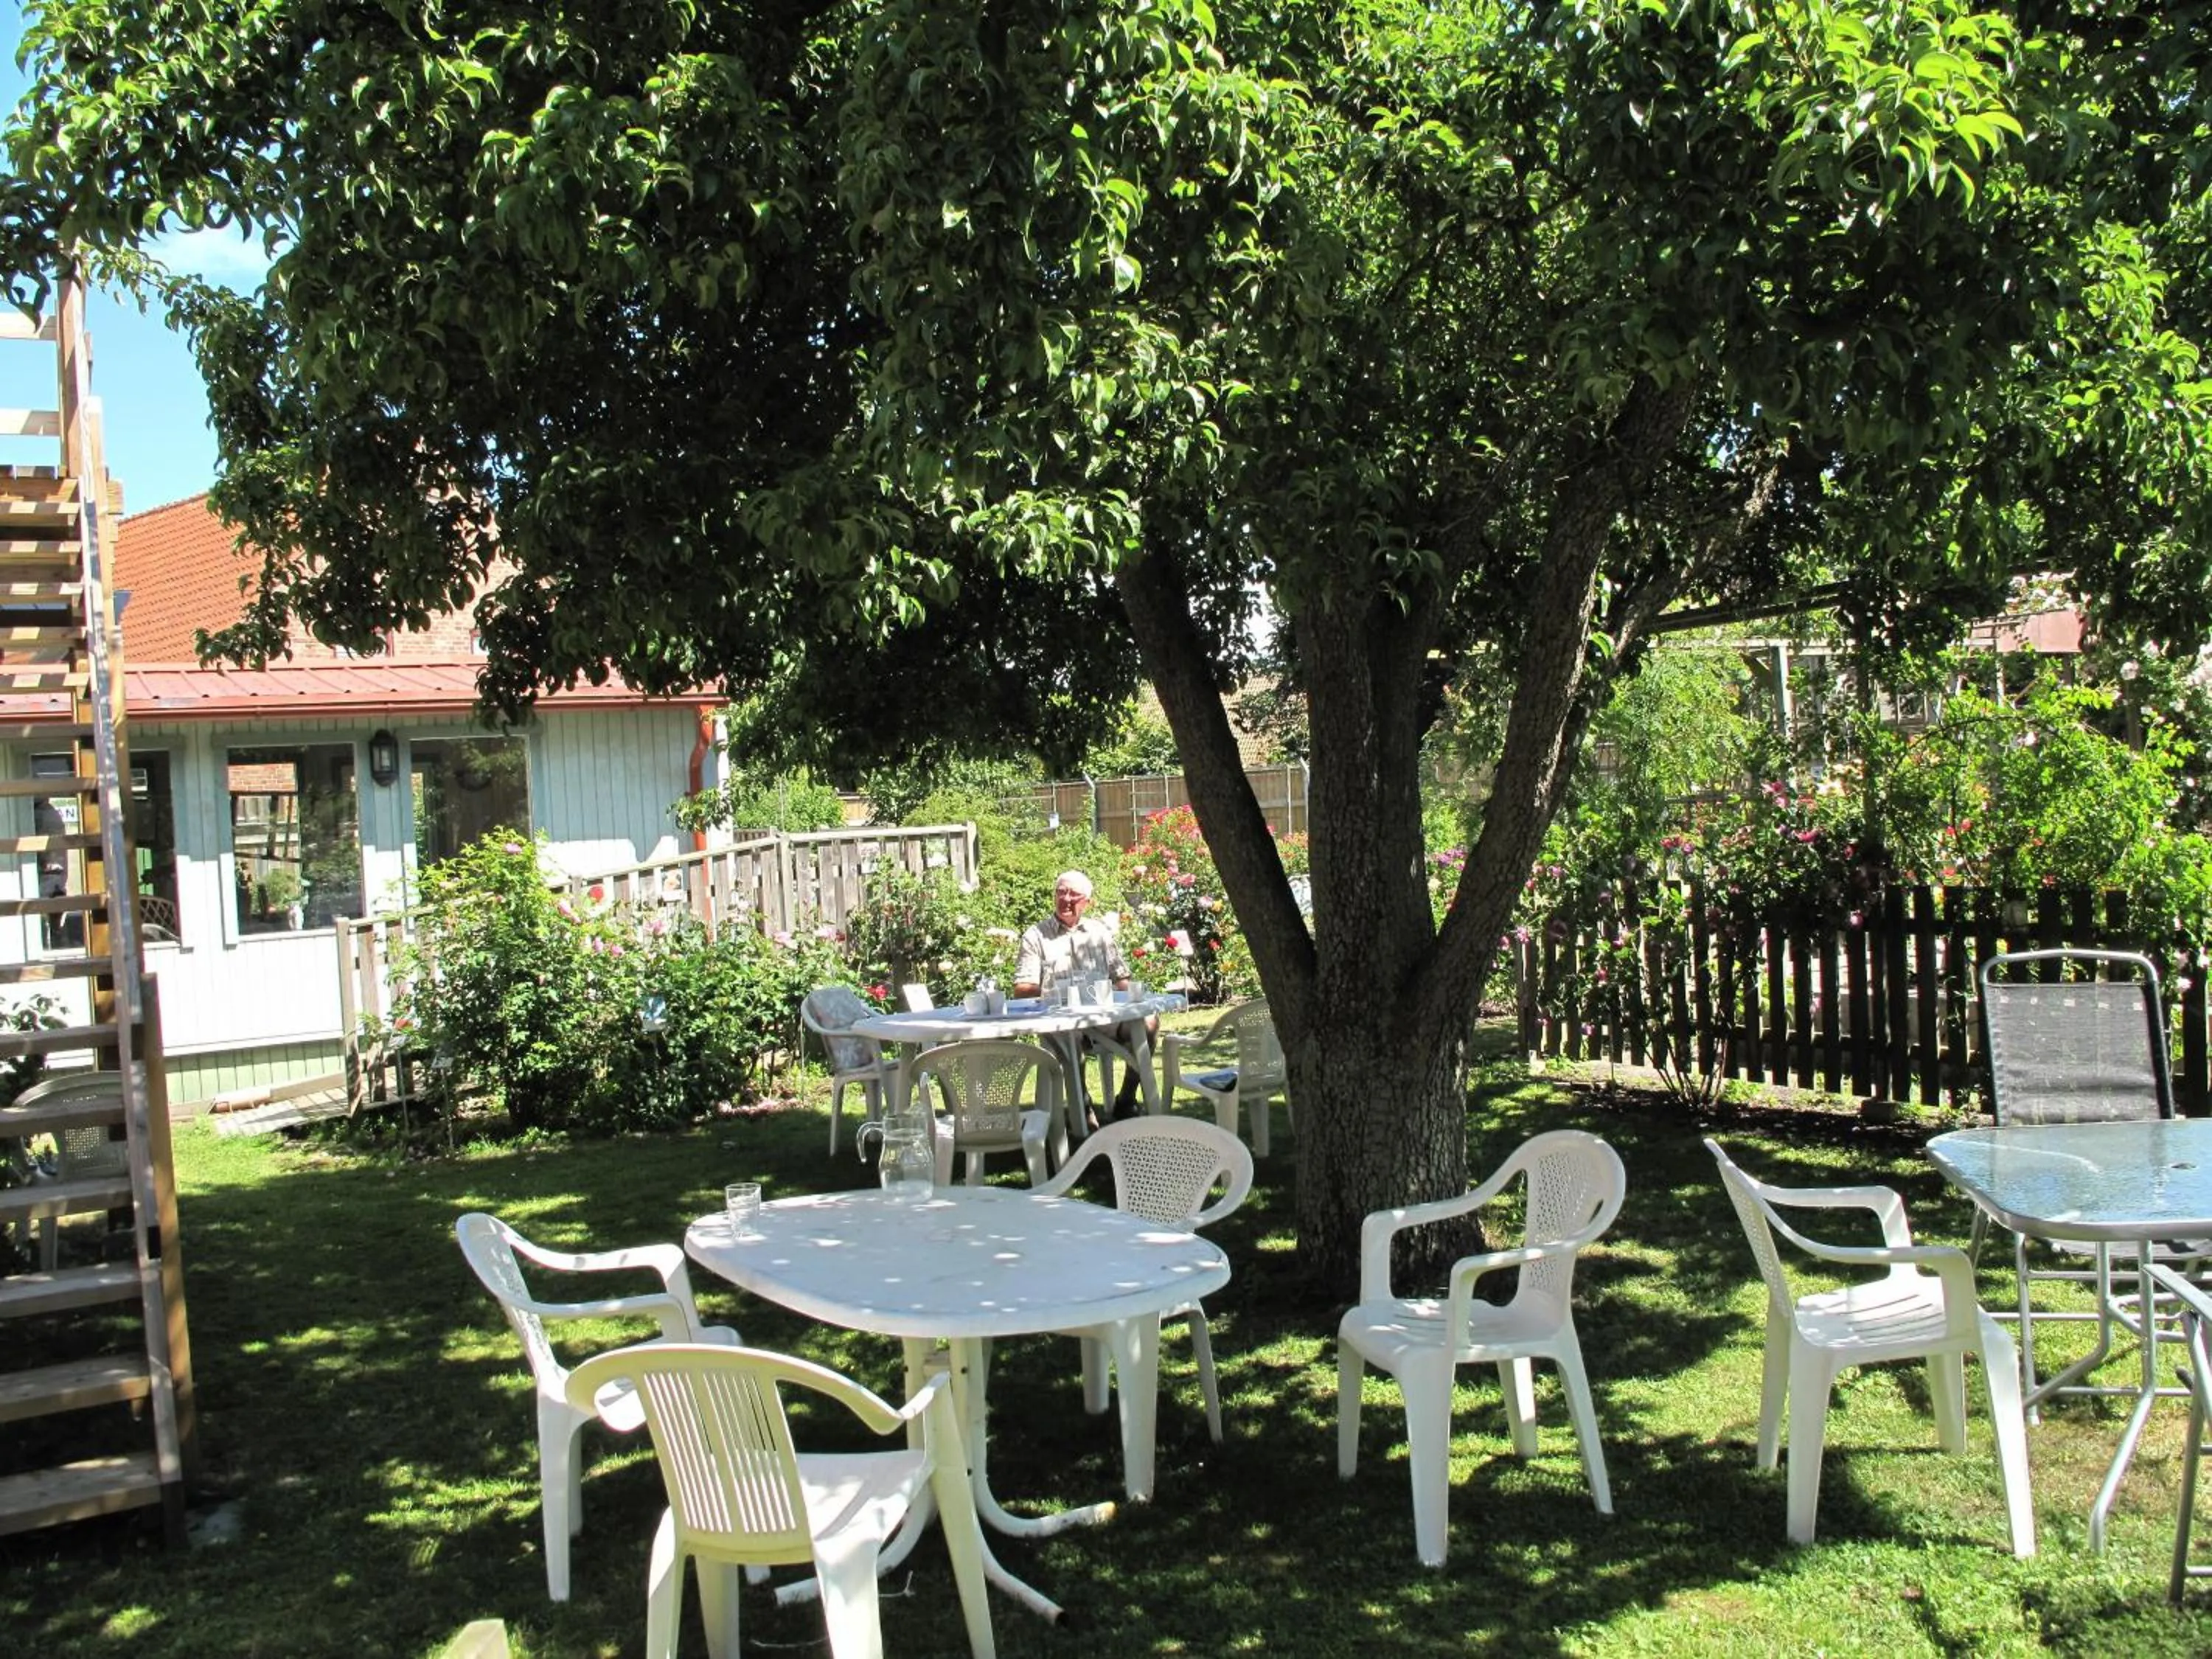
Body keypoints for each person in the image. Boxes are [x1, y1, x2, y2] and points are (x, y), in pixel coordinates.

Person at [1014, 869, 1155, 1121]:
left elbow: (1122, 979)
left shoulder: (1099, 933)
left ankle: (1127, 1098)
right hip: (1062, 1022)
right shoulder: (1036, 936)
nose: (1066, 899)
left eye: (1074, 894)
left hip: (1103, 1019)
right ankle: (1083, 1108)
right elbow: (1022, 989)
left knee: (1149, 1023)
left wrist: (1135, 997)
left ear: (1087, 902)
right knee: (1070, 1036)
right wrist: (1058, 991)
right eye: (1061, 892)